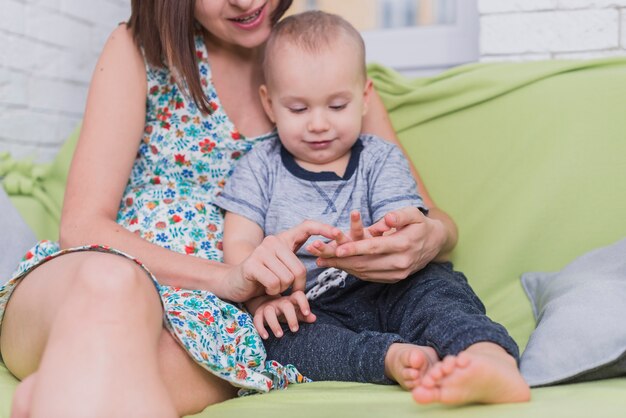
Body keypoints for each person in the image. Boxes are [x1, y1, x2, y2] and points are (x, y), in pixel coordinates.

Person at [0, 1, 459, 417]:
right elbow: (81, 226)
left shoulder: (322, 66)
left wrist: (427, 239)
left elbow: (434, 219)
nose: (245, 1)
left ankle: (56, 395)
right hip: (99, 275)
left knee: (117, 389)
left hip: (216, 326)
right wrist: (226, 277)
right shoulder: (139, 50)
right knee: (114, 283)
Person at [215, 11, 531, 405]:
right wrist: (263, 298)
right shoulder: (257, 167)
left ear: (364, 99)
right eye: (298, 109)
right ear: (269, 103)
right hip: (312, 305)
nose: (318, 124)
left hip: (392, 284)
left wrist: (387, 236)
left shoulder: (380, 158)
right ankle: (396, 359)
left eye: (336, 106)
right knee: (283, 341)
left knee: (439, 292)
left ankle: (488, 357)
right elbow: (239, 245)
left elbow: (406, 226)